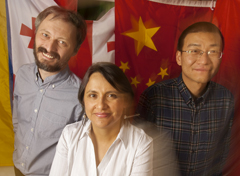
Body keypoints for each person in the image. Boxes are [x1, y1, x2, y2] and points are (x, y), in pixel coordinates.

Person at [136, 22, 234, 176]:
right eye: (195, 50)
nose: (204, 60)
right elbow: (138, 153)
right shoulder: (154, 97)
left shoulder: (226, 99)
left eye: (213, 51)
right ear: (179, 57)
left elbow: (222, 153)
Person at [12, 6, 86, 176]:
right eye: (45, 35)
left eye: (62, 42)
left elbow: (81, 152)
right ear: (36, 34)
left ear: (75, 50)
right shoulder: (22, 74)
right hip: (17, 168)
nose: (50, 48)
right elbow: (18, 122)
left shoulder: (81, 96)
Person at [49, 62, 153, 175]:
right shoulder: (69, 135)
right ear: (83, 100)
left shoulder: (141, 143)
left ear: (125, 101)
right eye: (93, 95)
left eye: (111, 95)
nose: (101, 105)